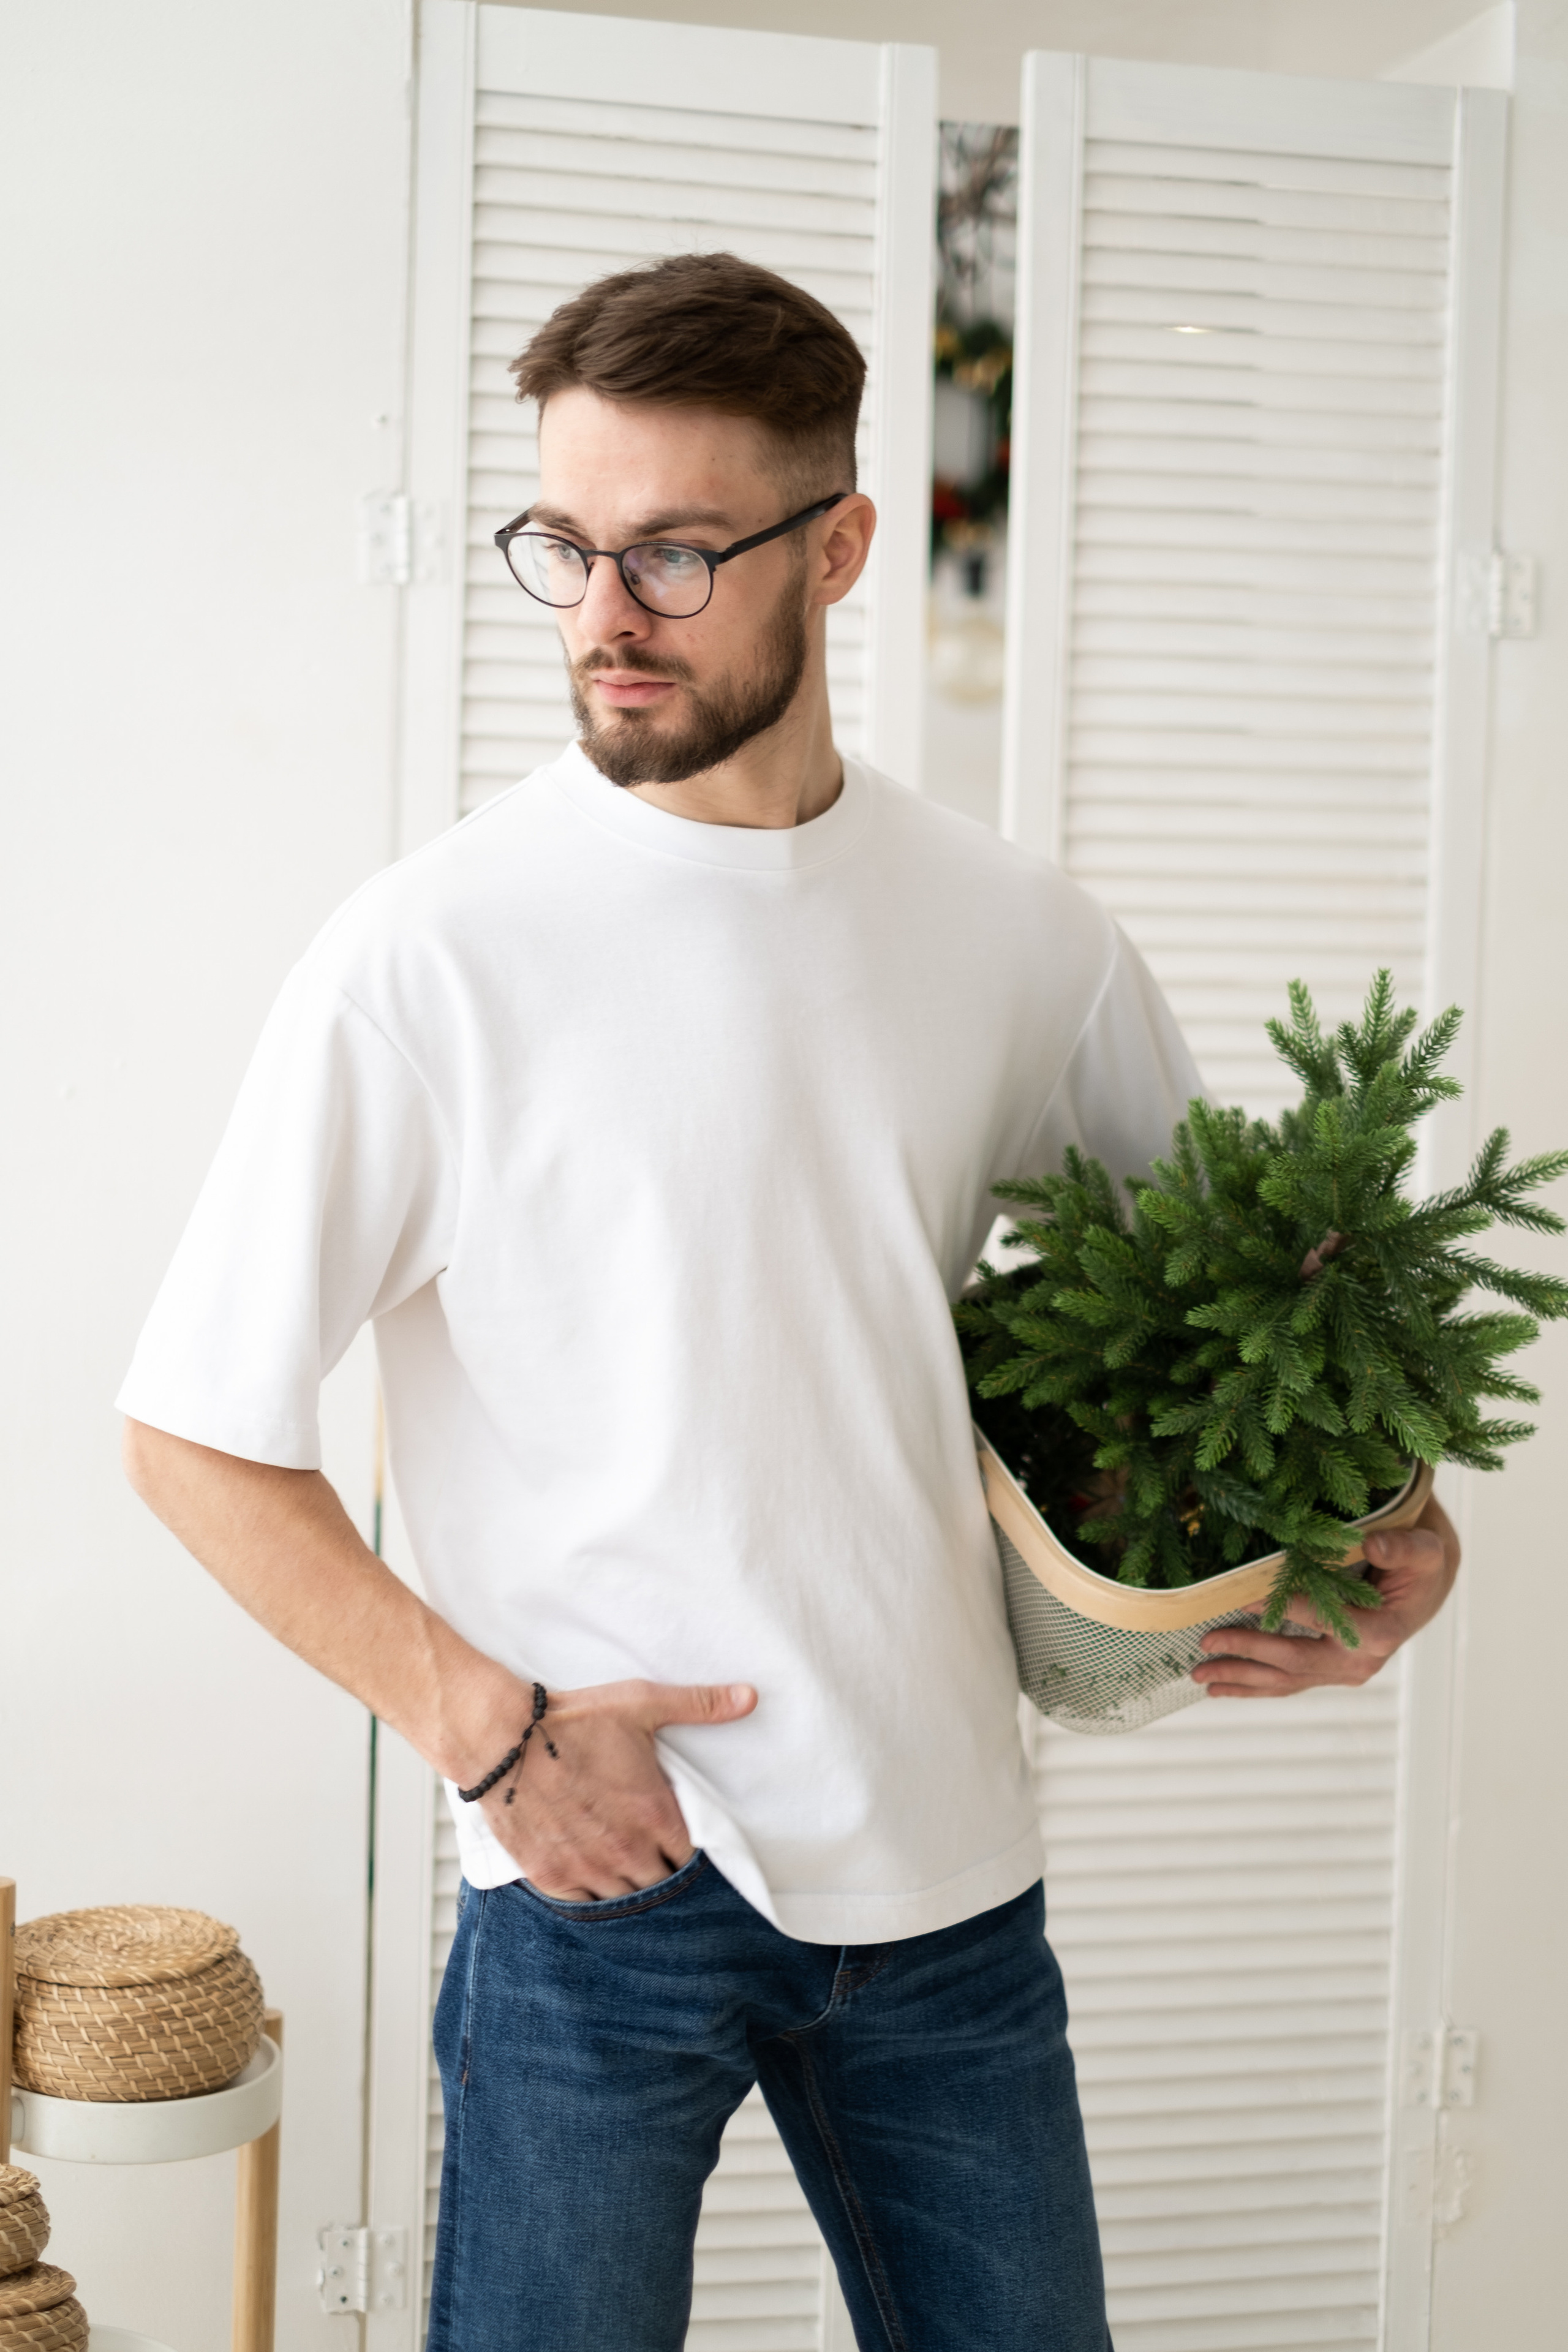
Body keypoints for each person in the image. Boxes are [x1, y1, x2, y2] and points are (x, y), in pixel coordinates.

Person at [119, 252, 1459, 2352]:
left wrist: (1399, 1526)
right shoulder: (429, 958)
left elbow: (1239, 1302)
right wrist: (490, 1734)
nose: (600, 616)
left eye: (670, 552)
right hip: (593, 1897)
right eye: (562, 543)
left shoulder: (1022, 937)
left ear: (837, 547)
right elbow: (192, 1431)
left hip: (950, 1878)